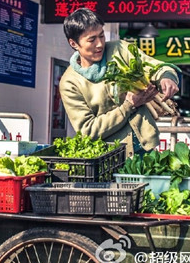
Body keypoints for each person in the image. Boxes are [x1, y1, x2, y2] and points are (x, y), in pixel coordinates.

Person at [59, 8, 179, 155]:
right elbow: (88, 130)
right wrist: (128, 106)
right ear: (74, 43)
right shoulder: (69, 83)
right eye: (91, 40)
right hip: (109, 156)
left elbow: (154, 66)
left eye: (101, 36)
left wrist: (166, 77)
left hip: (146, 146)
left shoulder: (120, 50)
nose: (99, 44)